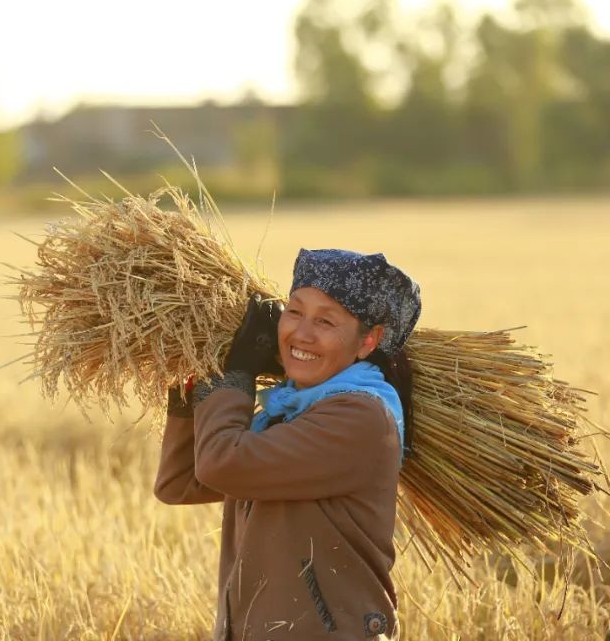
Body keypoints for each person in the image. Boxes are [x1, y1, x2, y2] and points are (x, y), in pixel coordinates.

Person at [154, 248, 421, 640]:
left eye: (326, 321)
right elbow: (180, 483)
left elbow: (221, 463)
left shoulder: (360, 418)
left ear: (368, 340)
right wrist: (190, 387)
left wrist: (234, 374)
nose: (302, 334)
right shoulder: (289, 407)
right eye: (294, 312)